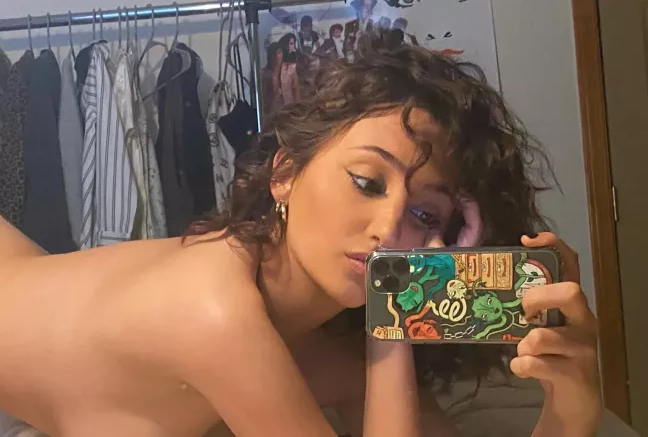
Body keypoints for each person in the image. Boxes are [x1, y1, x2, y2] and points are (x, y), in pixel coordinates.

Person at [0, 29, 602, 437]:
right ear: (285, 174)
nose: (388, 229)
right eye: (366, 182)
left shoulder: (317, 341)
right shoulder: (212, 313)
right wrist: (394, 320)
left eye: (425, 216)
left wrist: (571, 407)